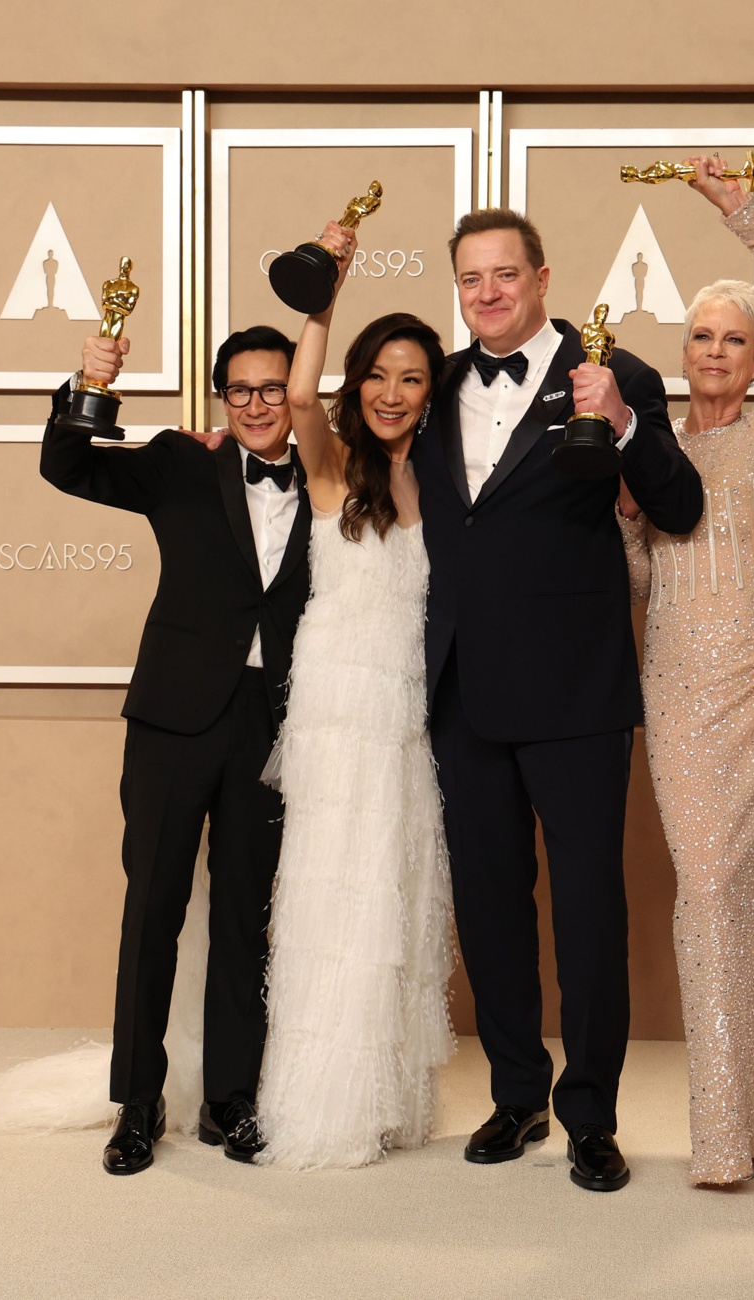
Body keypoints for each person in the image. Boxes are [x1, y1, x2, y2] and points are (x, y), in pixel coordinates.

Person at [411, 208, 703, 1192]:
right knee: (490, 907)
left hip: (576, 687)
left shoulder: (614, 373)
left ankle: (589, 1115)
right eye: (468, 279)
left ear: (540, 278)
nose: (486, 293)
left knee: (586, 911)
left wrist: (618, 424)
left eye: (503, 274)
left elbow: (679, 504)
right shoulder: (436, 385)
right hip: (460, 688)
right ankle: (515, 1093)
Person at [38, 323, 312, 1174]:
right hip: (173, 717)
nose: (259, 405)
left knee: (243, 914)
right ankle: (137, 1101)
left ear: (297, 396)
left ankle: (231, 1099)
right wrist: (90, 383)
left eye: (275, 389)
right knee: (152, 905)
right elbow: (68, 466)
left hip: (273, 725)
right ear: (221, 397)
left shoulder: (338, 480)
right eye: (243, 390)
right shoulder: (179, 460)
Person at [617, 157, 754, 1185]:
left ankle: (739, 1131)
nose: (716, 351)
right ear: (682, 352)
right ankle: (740, 1114)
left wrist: (733, 211)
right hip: (676, 686)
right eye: (700, 335)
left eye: (733, 339)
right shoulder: (647, 451)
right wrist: (619, 520)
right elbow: (640, 578)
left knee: (753, 883)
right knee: (705, 884)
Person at [255, 221, 454, 1169]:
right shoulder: (334, 466)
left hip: (408, 715)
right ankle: (318, 1103)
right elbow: (297, 394)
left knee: (394, 897)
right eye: (378, 373)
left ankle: (383, 1097)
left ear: (433, 390)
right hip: (337, 711)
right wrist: (326, 297)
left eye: (411, 377)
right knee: (333, 899)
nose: (389, 392)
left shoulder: (450, 483)